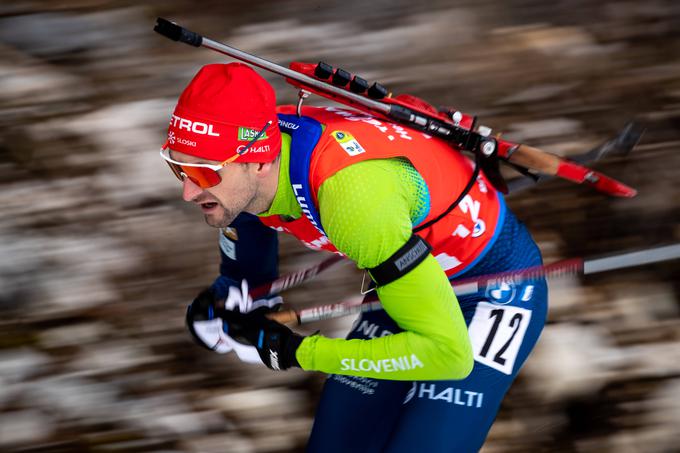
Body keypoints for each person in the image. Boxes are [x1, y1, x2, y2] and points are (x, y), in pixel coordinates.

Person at [161, 62, 548, 452]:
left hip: (492, 289)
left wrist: (298, 351)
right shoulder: (254, 162)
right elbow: (252, 214)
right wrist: (240, 290)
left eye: (204, 174)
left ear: (260, 161)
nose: (188, 193)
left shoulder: (352, 201)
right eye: (178, 168)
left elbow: (447, 355)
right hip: (404, 287)